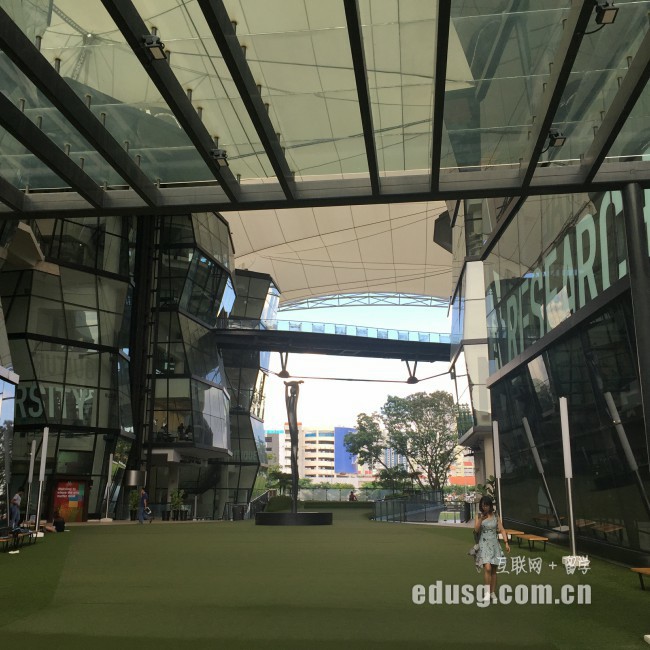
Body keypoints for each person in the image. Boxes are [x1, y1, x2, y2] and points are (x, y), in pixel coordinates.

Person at [474, 495, 510, 604]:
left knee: (494, 570)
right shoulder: (479, 515)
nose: (484, 507)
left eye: (486, 505)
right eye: (483, 505)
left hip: (494, 544)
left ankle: (492, 592)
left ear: (490, 506)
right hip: (484, 544)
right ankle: (486, 593)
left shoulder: (496, 515)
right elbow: (476, 530)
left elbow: (502, 529)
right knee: (488, 568)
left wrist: (506, 543)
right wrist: (481, 519)